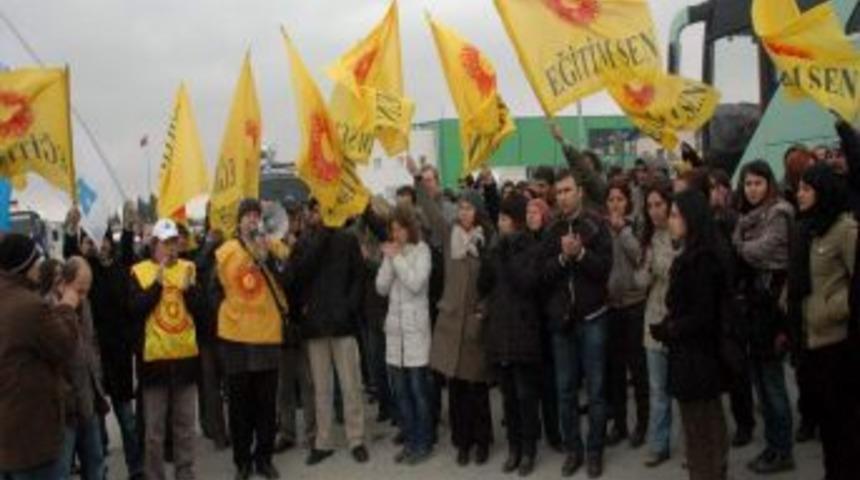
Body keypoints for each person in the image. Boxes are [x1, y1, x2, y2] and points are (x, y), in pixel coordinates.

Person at [788, 164, 860, 479]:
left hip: (839, 344)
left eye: (806, 189)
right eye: (798, 188)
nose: (799, 194)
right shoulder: (808, 228)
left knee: (845, 427)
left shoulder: (845, 229)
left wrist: (831, 308)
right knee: (828, 426)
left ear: (823, 192)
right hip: (812, 340)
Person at [651, 190, 729, 480]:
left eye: (674, 215)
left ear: (691, 219)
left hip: (696, 358)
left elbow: (702, 316)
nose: (670, 221)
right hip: (699, 356)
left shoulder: (699, 260)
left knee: (699, 432)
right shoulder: (699, 253)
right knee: (707, 425)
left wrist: (669, 329)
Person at [541, 169, 613, 478]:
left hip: (593, 318)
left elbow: (603, 269)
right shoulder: (551, 229)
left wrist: (580, 253)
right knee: (565, 391)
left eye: (568, 190)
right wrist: (561, 258)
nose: (562, 197)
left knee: (596, 391)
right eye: (558, 192)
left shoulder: (596, 225)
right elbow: (542, 275)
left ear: (580, 191)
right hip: (563, 324)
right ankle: (574, 449)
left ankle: (595, 451)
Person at [211, 199, 290, 480]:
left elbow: (289, 278)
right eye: (248, 216)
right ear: (239, 221)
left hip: (267, 335)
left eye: (257, 215)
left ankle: (264, 459)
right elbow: (212, 291)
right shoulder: (225, 251)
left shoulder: (273, 245)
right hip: (235, 339)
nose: (253, 220)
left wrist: (267, 254)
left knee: (266, 404)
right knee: (240, 405)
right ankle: (242, 461)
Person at [287, 200, 369, 466]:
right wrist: (319, 239)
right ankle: (323, 441)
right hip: (315, 326)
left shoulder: (347, 239)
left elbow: (359, 277)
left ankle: (356, 438)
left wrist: (350, 306)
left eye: (322, 208)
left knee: (351, 385)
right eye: (315, 210)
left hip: (343, 324)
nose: (318, 214)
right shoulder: (305, 242)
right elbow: (297, 277)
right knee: (321, 388)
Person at [0, 234, 82, 480]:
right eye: (36, 260)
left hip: (7, 432)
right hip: (32, 432)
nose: (40, 266)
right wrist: (68, 307)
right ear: (24, 266)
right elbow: (65, 345)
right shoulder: (30, 306)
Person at [732, 161, 796, 473]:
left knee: (773, 385)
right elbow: (743, 247)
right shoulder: (747, 217)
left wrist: (743, 246)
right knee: (760, 383)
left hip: (774, 311)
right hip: (755, 310)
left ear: (769, 183)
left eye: (758, 183)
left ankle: (783, 450)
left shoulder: (780, 212)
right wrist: (744, 246)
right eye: (747, 184)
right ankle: (772, 446)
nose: (752, 189)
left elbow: (766, 250)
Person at [130, 219, 203, 480]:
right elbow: (134, 311)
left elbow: (203, 312)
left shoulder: (189, 268)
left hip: (185, 360)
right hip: (154, 364)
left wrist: (191, 291)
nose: (172, 248)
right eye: (166, 243)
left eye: (174, 242)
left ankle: (185, 474)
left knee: (184, 426)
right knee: (154, 430)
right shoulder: (139, 272)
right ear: (154, 245)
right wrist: (157, 285)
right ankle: (155, 475)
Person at [478, 193, 543, 476]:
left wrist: (505, 257)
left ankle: (529, 450)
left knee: (525, 395)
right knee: (507, 397)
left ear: (515, 222)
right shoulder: (496, 248)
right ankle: (514, 447)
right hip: (500, 331)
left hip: (523, 331)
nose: (499, 223)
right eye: (499, 218)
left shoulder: (529, 246)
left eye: (504, 219)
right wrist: (486, 258)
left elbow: (527, 284)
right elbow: (484, 286)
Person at [429, 190, 495, 467]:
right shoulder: (450, 236)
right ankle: (463, 442)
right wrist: (419, 180)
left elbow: (495, 281)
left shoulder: (487, 241)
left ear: (477, 212)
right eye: (461, 208)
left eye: (469, 208)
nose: (464, 213)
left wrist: (484, 309)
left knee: (477, 388)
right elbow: (431, 213)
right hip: (450, 324)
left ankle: (482, 442)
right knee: (455, 390)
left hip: (474, 324)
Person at [375, 206, 434, 465]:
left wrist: (397, 258)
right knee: (400, 393)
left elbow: (415, 283)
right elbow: (381, 287)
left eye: (399, 228)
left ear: (410, 228)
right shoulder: (393, 253)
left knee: (418, 392)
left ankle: (424, 441)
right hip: (395, 334)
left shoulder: (423, 251)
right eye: (393, 229)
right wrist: (388, 260)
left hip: (415, 333)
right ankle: (410, 441)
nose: (395, 233)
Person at [85, 223, 144, 479]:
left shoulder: (122, 268)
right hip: (96, 353)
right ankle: (99, 470)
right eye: (94, 241)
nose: (101, 244)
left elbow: (130, 253)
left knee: (127, 420)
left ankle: (137, 468)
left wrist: (129, 227)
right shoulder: (89, 271)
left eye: (104, 239)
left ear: (110, 242)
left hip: (119, 352)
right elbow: (72, 261)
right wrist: (72, 233)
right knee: (96, 422)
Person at [633, 181, 678, 468]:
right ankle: (659, 444)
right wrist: (645, 266)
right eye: (649, 206)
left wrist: (658, 265)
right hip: (653, 318)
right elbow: (640, 283)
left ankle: (696, 446)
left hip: (680, 321)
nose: (654, 211)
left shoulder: (681, 233)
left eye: (659, 204)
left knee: (685, 388)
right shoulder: (647, 238)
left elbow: (679, 272)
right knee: (658, 389)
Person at [604, 179, 649, 449]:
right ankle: (619, 424)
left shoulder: (638, 226)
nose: (615, 204)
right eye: (611, 200)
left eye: (619, 199)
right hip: (611, 306)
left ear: (628, 202)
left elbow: (639, 258)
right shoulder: (601, 227)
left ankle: (642, 424)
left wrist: (623, 232)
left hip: (634, 305)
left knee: (638, 369)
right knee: (615, 372)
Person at [56, 258, 105, 480]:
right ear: (63, 283)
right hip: (65, 405)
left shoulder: (85, 304)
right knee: (63, 467)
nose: (83, 297)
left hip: (88, 398)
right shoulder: (48, 307)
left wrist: (97, 377)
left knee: (95, 462)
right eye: (79, 290)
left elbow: (91, 341)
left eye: (87, 290)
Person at [526, 198, 562, 451]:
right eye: (528, 212)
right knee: (531, 382)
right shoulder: (522, 241)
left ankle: (554, 433)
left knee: (550, 383)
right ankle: (534, 431)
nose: (531, 215)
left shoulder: (551, 239)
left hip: (547, 318)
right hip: (528, 320)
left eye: (535, 211)